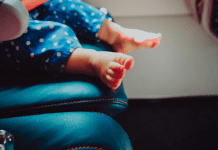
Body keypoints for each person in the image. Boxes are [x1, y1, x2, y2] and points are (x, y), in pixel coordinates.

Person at [0, 0, 162, 89]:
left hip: (21, 9)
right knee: (37, 35)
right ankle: (91, 61)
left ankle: (115, 35)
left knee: (65, 6)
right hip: (5, 31)